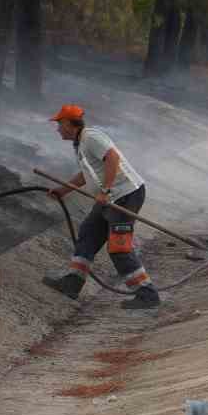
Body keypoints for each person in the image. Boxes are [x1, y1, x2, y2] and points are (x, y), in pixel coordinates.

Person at [41, 103, 161, 310]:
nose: (58, 128)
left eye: (59, 124)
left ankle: (147, 294)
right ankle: (72, 283)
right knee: (88, 233)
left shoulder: (91, 137)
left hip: (125, 195)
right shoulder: (80, 144)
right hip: (110, 198)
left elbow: (112, 158)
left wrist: (105, 190)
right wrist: (63, 190)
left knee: (118, 248)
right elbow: (87, 174)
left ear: (70, 124)